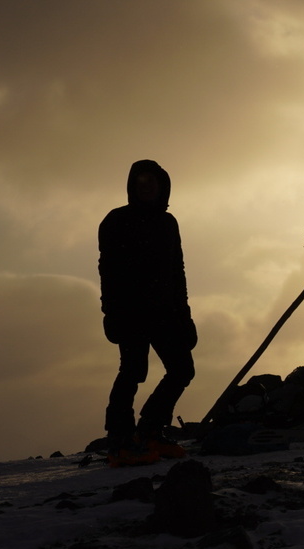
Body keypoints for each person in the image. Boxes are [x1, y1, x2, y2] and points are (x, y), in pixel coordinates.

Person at [98, 159, 197, 467]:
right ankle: (120, 440)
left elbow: (177, 271)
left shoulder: (169, 223)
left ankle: (151, 430)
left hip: (166, 312)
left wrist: (185, 315)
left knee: (182, 369)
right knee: (132, 372)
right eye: (140, 182)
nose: (146, 187)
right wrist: (111, 312)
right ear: (132, 187)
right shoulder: (116, 221)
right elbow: (108, 271)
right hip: (130, 313)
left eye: (151, 181)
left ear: (162, 185)